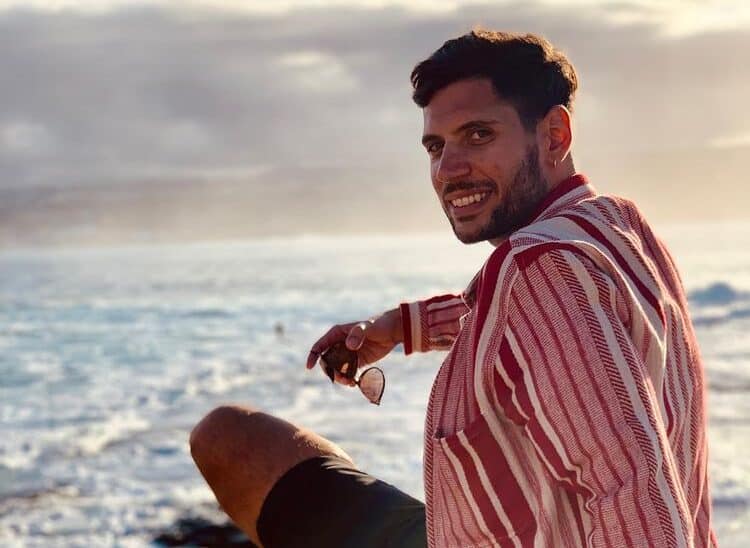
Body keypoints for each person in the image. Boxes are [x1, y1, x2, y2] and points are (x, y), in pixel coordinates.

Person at [190, 30, 717, 547]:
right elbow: (548, 332)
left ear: (555, 135)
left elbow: (630, 491)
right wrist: (404, 327)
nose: (448, 169)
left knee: (229, 440)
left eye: (478, 135)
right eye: (436, 147)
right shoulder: (614, 226)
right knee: (231, 439)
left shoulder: (540, 271)